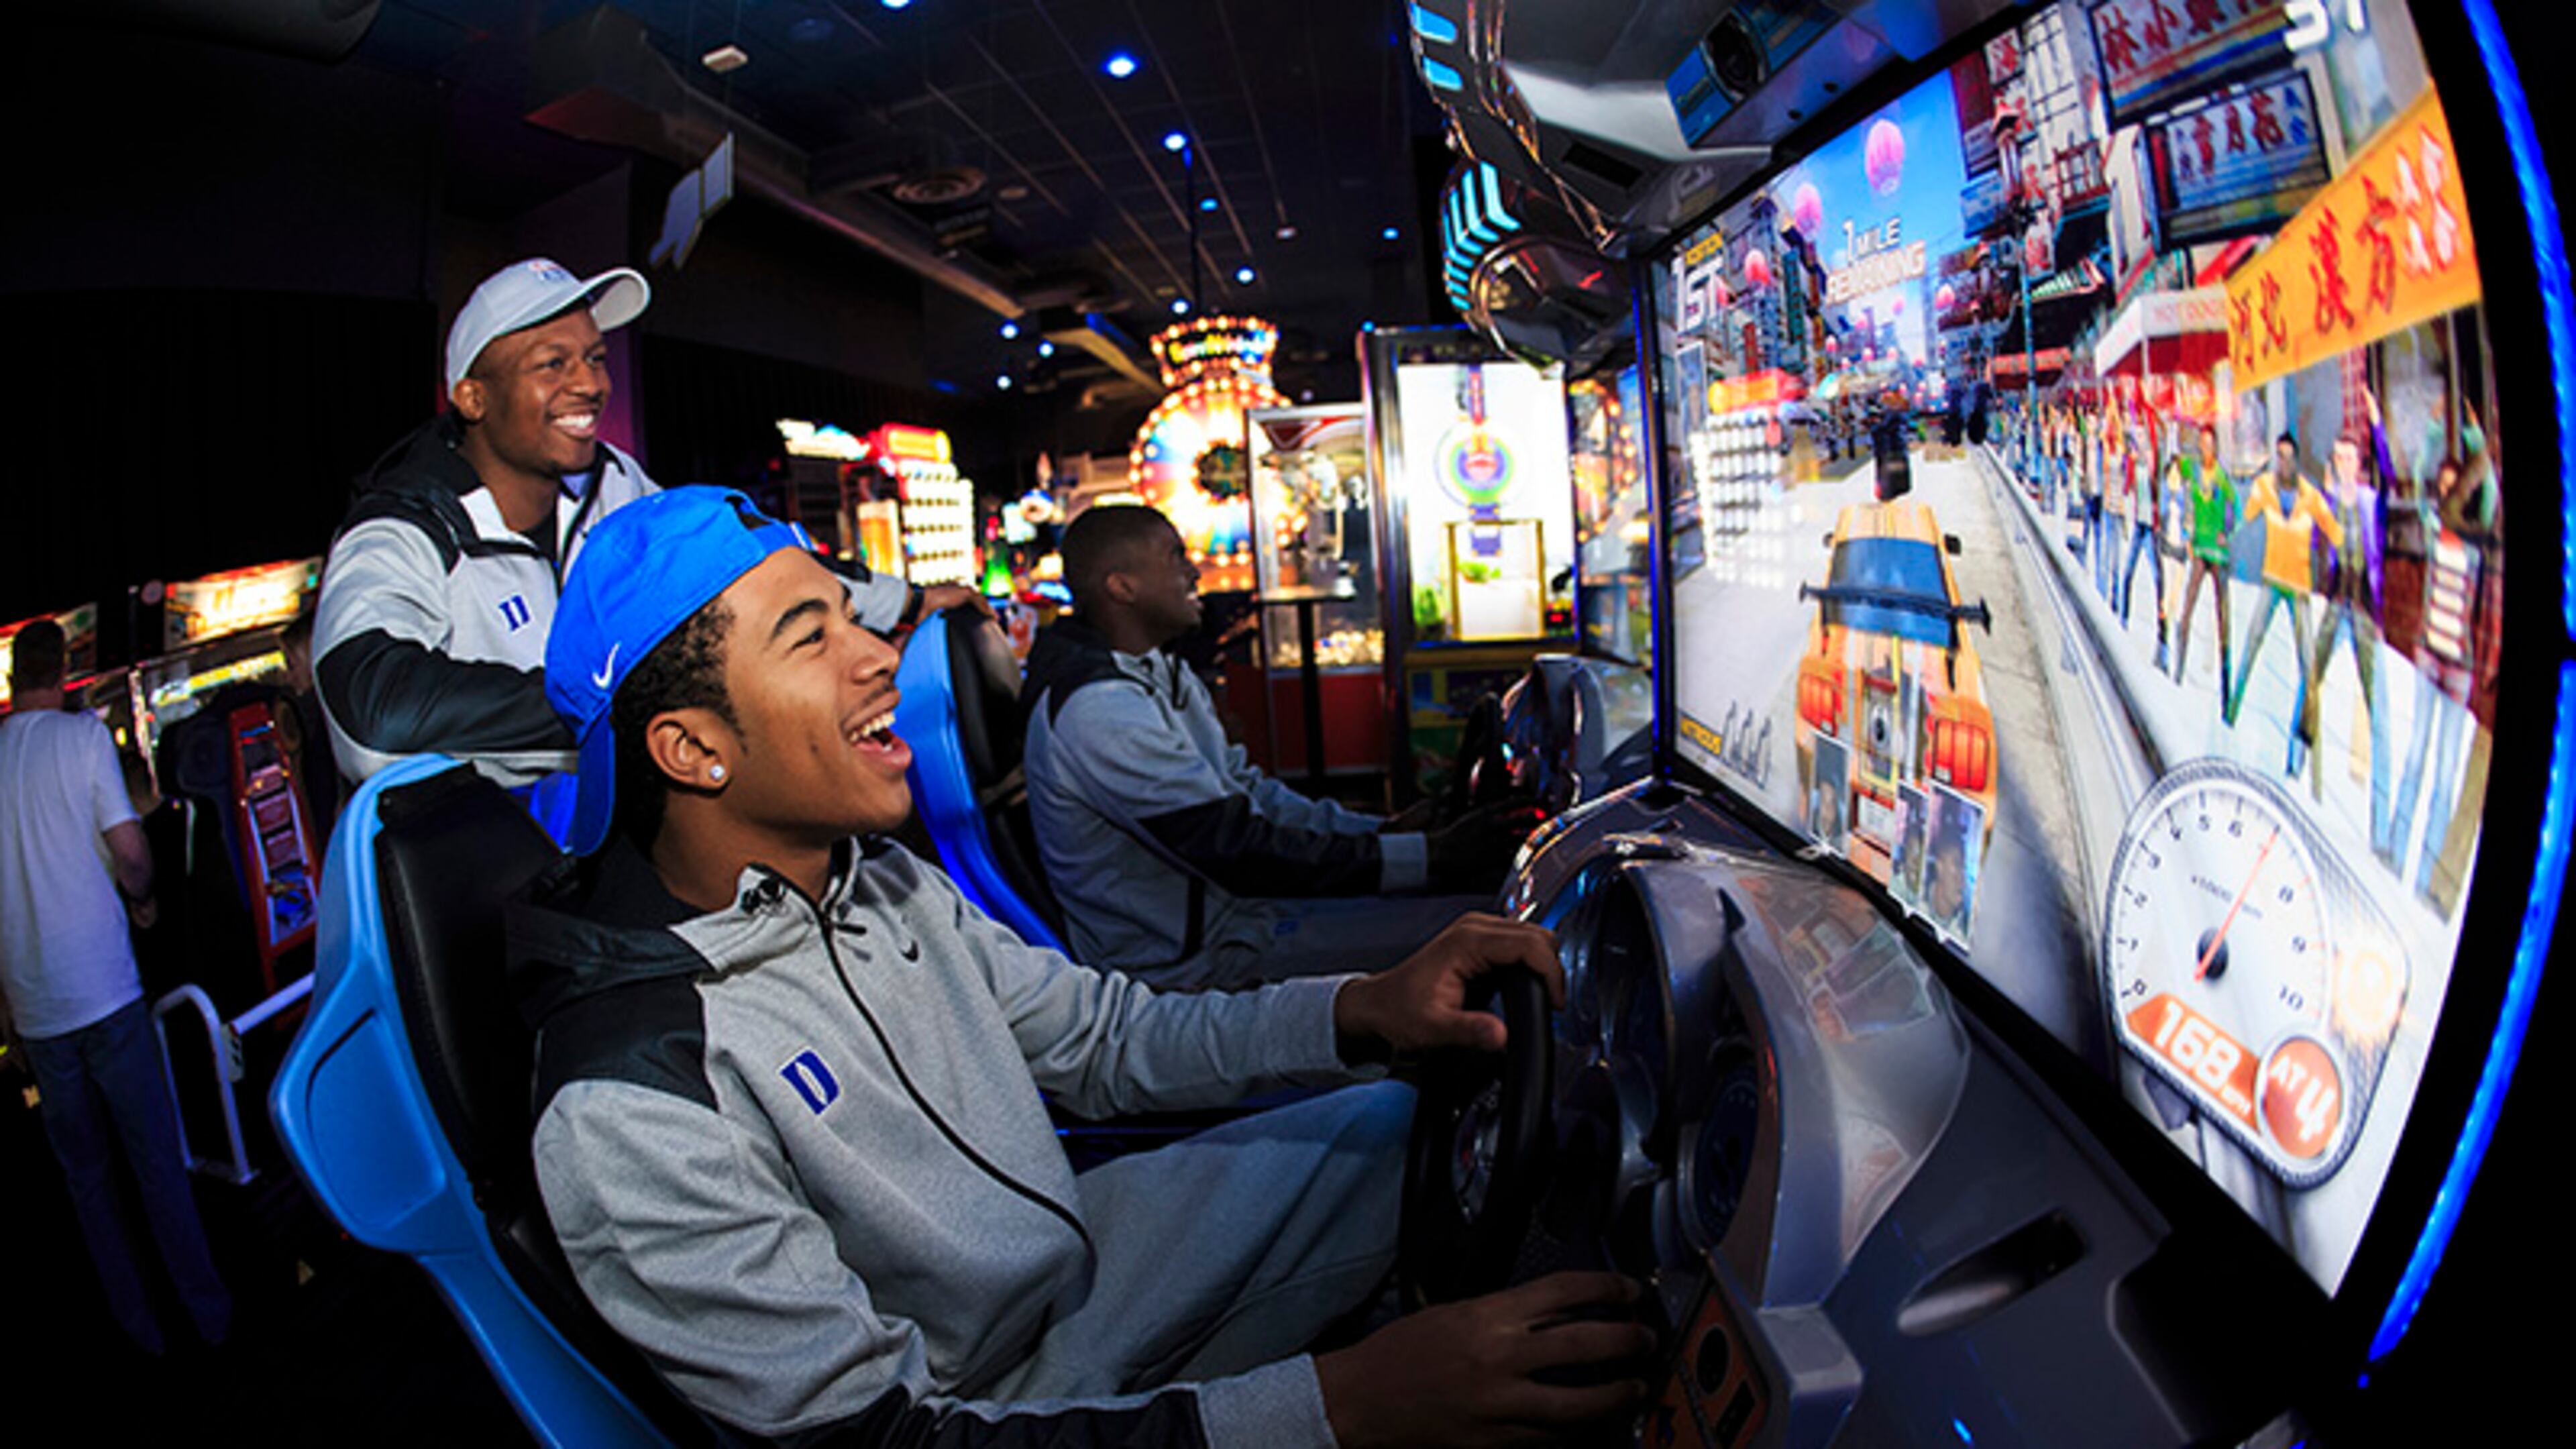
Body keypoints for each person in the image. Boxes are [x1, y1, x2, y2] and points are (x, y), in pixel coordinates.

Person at [513, 487, 1652, 1448]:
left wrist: (1363, 1011)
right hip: (980, 1404)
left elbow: (1104, 1041)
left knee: (1434, 1125)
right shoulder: (636, 1094)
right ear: (693, 749)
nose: (880, 657)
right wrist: (1344, 1406)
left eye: (855, 617)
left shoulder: (875, 881)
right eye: (812, 637)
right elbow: (891, 1441)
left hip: (1073, 1260)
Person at [312, 256, 971, 799]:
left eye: (595, 359)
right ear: (472, 396)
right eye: (553, 364)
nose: (590, 384)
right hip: (473, 898)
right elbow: (375, 716)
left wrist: (910, 601)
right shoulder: (402, 531)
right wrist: (628, 709)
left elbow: (753, 563)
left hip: (593, 850)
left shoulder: (615, 484)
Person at [1020, 504, 1519, 989]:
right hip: (1188, 969)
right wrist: (1428, 857)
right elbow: (1236, 849)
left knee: (1477, 913)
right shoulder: (1099, 708)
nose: (1195, 572)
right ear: (1121, 586)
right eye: (1175, 556)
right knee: (1486, 936)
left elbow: (1250, 795)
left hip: (1238, 918)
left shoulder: (1157, 672)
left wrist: (1385, 833)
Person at [0, 621, 233, 1358]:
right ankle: (210, 1318)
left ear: (11, 679)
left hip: (36, 1010)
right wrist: (144, 898)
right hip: (104, 985)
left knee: (88, 1184)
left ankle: (140, 1334)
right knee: (157, 1161)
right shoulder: (81, 739)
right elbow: (131, 854)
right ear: (65, 669)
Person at [2303, 402, 2392, 842]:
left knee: (2378, 703)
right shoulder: (2327, 502)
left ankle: (2380, 825)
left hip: (2364, 609)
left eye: (2349, 458)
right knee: (2311, 680)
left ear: (2359, 464)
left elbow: (2391, 481)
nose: (2343, 465)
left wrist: (2376, 427)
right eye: (2337, 459)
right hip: (2336, 602)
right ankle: (2298, 770)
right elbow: (2313, 542)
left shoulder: (2373, 500)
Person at [2229, 433, 2341, 742]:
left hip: (2300, 586)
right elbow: (2245, 516)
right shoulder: (2265, 487)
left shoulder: (2311, 495)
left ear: (2297, 460)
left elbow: (2335, 532)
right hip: (2272, 579)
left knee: (2308, 662)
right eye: (2280, 455)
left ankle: (2307, 733)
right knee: (2251, 644)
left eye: (2289, 456)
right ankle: (2231, 712)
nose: (2284, 461)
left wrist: (2332, 496)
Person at [2170, 423, 2237, 690]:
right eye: (2203, 444)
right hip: (2199, 548)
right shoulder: (2194, 470)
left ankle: (2225, 681)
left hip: (2218, 553)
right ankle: (2179, 669)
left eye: (2210, 445)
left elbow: (2235, 510)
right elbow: (2176, 460)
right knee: (2188, 608)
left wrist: (2228, 533)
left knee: (2223, 616)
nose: (2206, 449)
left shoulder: (2222, 477)